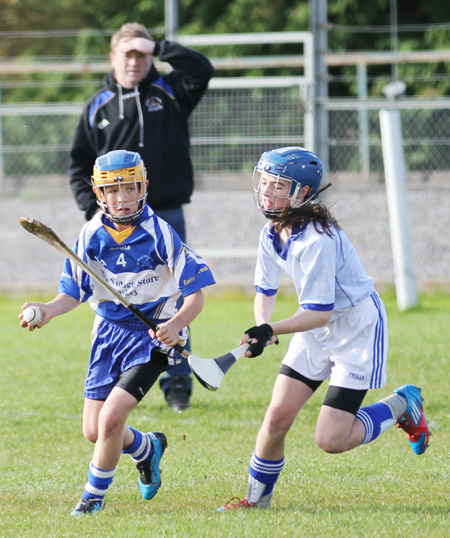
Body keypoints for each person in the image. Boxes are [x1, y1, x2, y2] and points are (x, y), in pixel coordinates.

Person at [217, 146, 430, 511]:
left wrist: (272, 330)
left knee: (331, 439)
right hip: (316, 329)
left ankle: (402, 404)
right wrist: (261, 326)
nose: (267, 192)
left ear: (302, 193)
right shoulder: (272, 231)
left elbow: (319, 312)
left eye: (277, 186)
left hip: (356, 328)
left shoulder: (317, 241)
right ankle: (256, 502)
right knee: (277, 416)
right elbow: (265, 289)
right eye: (264, 183)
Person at [19, 150, 215, 515]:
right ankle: (146, 448)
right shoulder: (91, 233)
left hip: (153, 336)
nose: (122, 198)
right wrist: (47, 310)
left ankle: (92, 499)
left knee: (111, 419)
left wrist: (175, 325)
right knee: (94, 431)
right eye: (112, 191)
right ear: (98, 193)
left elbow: (196, 294)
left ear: (143, 187)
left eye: (129, 188)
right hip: (108, 335)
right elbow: (74, 292)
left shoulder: (160, 233)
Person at [68, 22, 215, 412]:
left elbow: (202, 69)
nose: (134, 61)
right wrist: (94, 211)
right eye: (127, 53)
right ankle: (122, 377)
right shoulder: (97, 105)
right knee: (121, 299)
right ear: (113, 57)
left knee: (175, 296)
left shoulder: (170, 91)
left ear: (150, 56)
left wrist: (159, 45)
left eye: (141, 54)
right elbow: (78, 163)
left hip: (164, 213)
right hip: (112, 223)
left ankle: (177, 381)